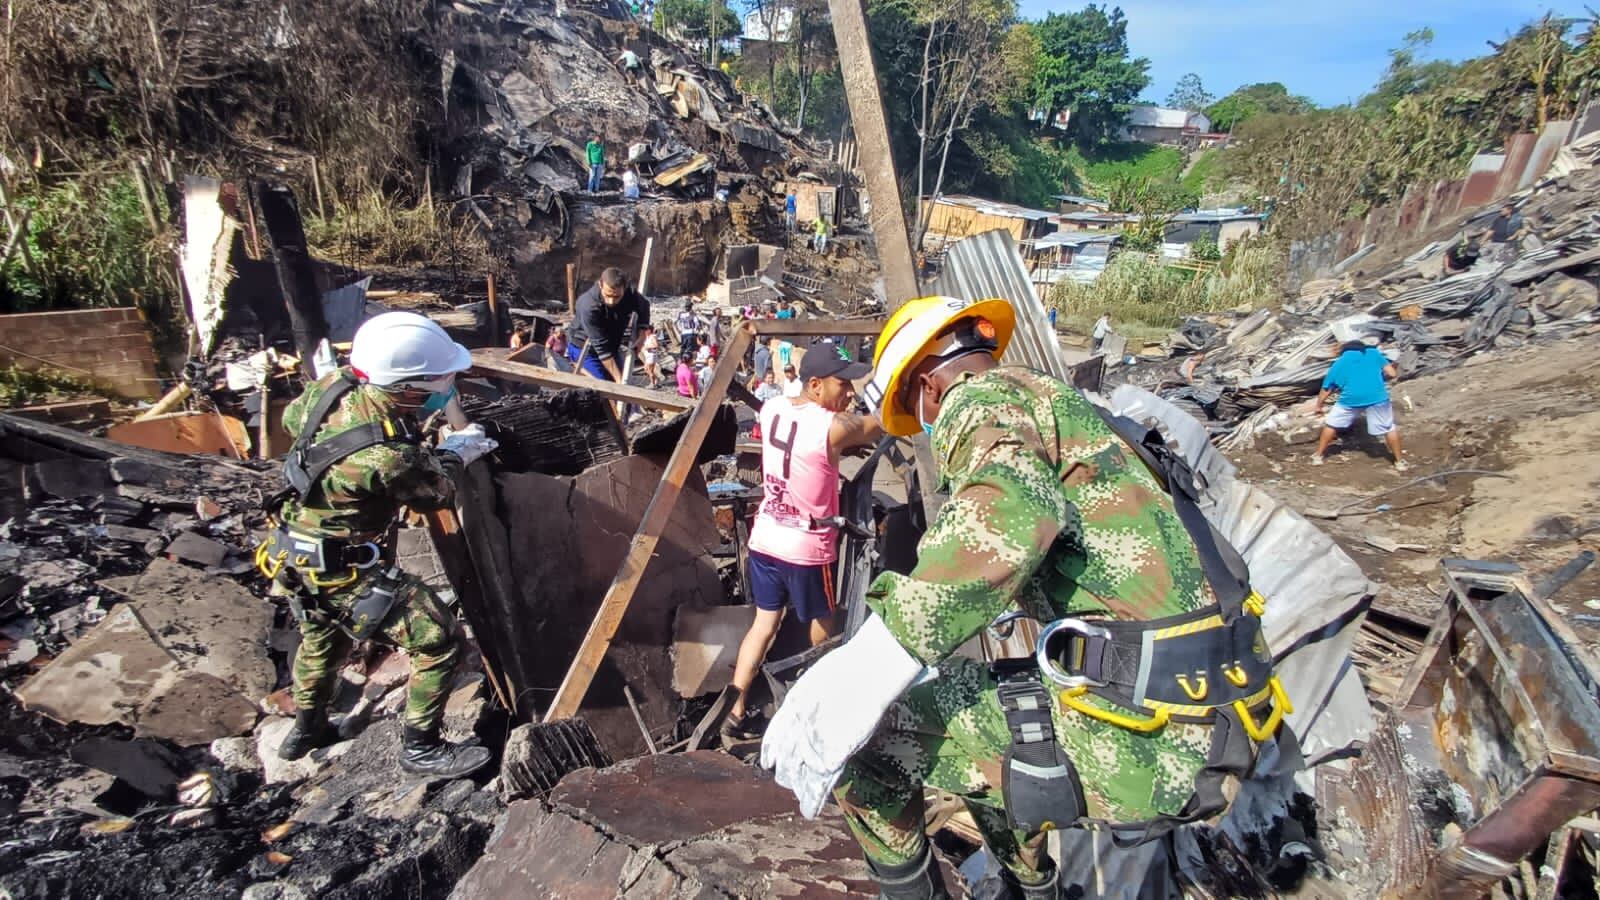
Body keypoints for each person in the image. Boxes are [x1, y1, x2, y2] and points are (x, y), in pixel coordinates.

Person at [760, 296, 1290, 899]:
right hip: (1220, 710)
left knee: (866, 749)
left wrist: (876, 658)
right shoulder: (1056, 402)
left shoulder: (975, 401)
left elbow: (1010, 512)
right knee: (981, 722)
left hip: (1151, 739)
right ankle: (1029, 887)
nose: (927, 426)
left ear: (929, 384)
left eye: (915, 411)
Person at [257, 312, 498, 779]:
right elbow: (435, 493)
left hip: (294, 549)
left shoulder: (330, 388)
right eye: (434, 382)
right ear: (407, 388)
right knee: (438, 638)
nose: (441, 389)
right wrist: (455, 453)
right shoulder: (386, 457)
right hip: (344, 565)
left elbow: (291, 419)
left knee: (321, 632)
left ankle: (308, 728)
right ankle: (420, 748)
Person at [725, 343, 882, 740]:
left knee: (764, 625)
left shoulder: (775, 406)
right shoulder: (834, 427)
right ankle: (812, 696)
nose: (849, 392)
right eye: (842, 384)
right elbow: (876, 424)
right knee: (822, 622)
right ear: (815, 385)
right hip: (807, 548)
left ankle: (735, 710)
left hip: (766, 538)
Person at [1312, 322, 1405, 471]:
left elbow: (1326, 389)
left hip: (1350, 399)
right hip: (1377, 398)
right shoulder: (1374, 354)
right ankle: (1400, 462)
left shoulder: (1339, 364)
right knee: (1388, 428)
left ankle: (1318, 456)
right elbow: (1392, 373)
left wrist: (1319, 406)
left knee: (1331, 425)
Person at [567, 268, 650, 381]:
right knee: (604, 386)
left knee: (622, 381)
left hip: (612, 346)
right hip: (585, 349)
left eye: (616, 297)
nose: (611, 301)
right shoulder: (589, 306)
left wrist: (642, 334)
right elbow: (601, 347)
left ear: (624, 289)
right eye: (607, 295)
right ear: (600, 285)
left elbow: (644, 305)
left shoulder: (629, 294)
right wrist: (618, 380)